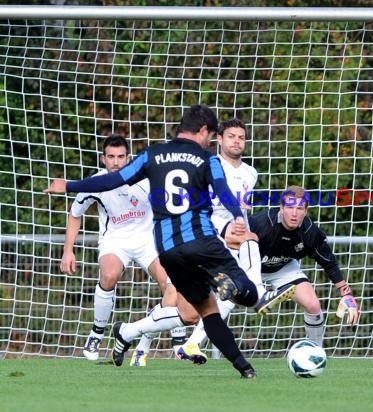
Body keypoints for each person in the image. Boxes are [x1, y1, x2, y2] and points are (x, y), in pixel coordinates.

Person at [45, 104, 269, 378]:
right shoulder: (207, 158)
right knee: (250, 294)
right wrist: (237, 215)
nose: (209, 141)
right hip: (201, 241)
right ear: (202, 131)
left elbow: (113, 180)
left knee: (206, 311)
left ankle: (245, 368)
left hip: (169, 252)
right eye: (210, 135)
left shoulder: (152, 154)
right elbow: (221, 189)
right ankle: (227, 285)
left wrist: (68, 185)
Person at [59, 134, 198, 363]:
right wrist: (68, 250)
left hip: (147, 239)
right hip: (115, 240)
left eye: (121, 157)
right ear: (103, 159)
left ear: (128, 157)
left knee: (172, 283)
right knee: (110, 274)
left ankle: (175, 338)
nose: (116, 162)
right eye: (111, 157)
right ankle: (97, 332)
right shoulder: (95, 182)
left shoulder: (146, 179)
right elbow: (75, 215)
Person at [178, 184, 359, 353]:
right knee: (227, 299)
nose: (294, 213)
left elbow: (329, 263)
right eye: (289, 207)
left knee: (313, 304)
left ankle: (316, 353)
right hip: (250, 267)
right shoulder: (261, 224)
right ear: (281, 208)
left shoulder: (311, 233)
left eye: (299, 209)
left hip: (284, 268)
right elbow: (233, 244)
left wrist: (346, 294)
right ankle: (191, 345)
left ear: (306, 211)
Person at [175, 118, 296, 360]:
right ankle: (261, 293)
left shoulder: (251, 173)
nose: (237, 141)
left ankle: (188, 343)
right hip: (209, 227)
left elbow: (243, 209)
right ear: (219, 139)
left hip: (235, 230)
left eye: (241, 137)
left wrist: (240, 214)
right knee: (250, 240)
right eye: (231, 136)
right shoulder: (207, 165)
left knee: (230, 293)